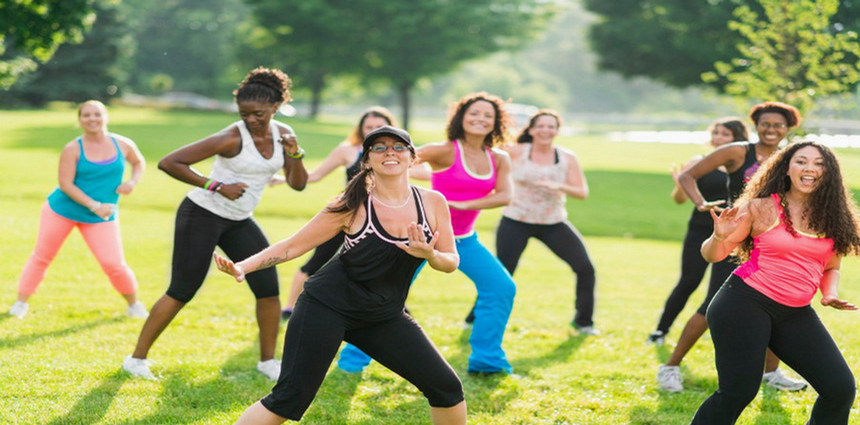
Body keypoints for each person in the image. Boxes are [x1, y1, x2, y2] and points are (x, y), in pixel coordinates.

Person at [215, 126, 466, 425]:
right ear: (367, 160)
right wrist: (244, 266)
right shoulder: (351, 204)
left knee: (446, 387)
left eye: (398, 147)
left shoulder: (433, 202)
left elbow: (450, 261)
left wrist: (431, 255)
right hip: (326, 307)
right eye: (379, 148)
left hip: (382, 314)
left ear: (412, 158)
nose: (390, 153)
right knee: (289, 398)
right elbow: (293, 245)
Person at [121, 67, 308, 381]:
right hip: (201, 214)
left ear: (275, 107)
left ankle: (267, 362)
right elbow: (170, 162)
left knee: (268, 290)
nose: (251, 120)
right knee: (182, 290)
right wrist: (216, 185)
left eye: (258, 114)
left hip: (238, 219)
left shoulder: (284, 134)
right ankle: (136, 359)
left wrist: (295, 153)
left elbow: (298, 184)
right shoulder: (232, 136)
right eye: (244, 113)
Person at [689, 141, 860, 424]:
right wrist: (719, 236)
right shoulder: (760, 208)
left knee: (839, 388)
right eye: (801, 161)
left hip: (794, 312)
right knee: (738, 391)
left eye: (819, 164)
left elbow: (831, 266)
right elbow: (713, 255)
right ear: (786, 168)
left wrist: (828, 295)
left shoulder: (834, 217)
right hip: (743, 303)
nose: (810, 169)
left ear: (829, 173)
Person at [656, 102, 808, 393]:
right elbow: (689, 175)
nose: (771, 129)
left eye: (778, 125)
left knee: (778, 302)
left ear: (788, 129)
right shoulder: (738, 151)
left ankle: (771, 372)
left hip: (773, 242)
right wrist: (700, 203)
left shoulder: (792, 156)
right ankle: (670, 366)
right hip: (736, 239)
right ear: (756, 125)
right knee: (712, 305)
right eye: (765, 124)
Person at [8, 100, 147, 319]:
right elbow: (66, 184)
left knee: (114, 264)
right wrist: (95, 206)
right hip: (62, 211)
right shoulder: (72, 148)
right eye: (86, 115)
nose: (92, 119)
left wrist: (132, 182)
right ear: (79, 120)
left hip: (102, 216)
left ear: (106, 116)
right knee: (42, 256)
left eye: (97, 114)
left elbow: (138, 162)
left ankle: (134, 305)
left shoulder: (122, 144)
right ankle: (20, 303)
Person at [417, 92, 516, 374]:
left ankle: (487, 361)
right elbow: (395, 161)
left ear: (496, 123)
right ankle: (353, 360)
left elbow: (505, 196)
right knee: (387, 294)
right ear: (461, 117)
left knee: (501, 287)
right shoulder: (445, 150)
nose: (480, 119)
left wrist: (464, 204)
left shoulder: (499, 159)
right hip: (422, 237)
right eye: (474, 113)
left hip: (464, 240)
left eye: (488, 115)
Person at [280, 106, 396, 319]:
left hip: (381, 220)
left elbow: (422, 171)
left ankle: (396, 308)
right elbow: (315, 175)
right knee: (318, 259)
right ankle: (289, 307)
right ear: (360, 129)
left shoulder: (396, 153)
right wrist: (283, 177)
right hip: (348, 215)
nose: (373, 130)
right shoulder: (347, 150)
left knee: (385, 265)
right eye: (368, 127)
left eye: (379, 127)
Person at [493, 109, 599, 334]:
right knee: (502, 273)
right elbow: (485, 161)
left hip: (553, 222)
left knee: (585, 268)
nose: (545, 130)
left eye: (551, 126)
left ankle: (584, 322)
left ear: (557, 131)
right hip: (516, 220)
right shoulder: (516, 151)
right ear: (531, 129)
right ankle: (476, 317)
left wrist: (558, 186)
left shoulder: (567, 157)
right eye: (540, 126)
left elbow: (582, 192)